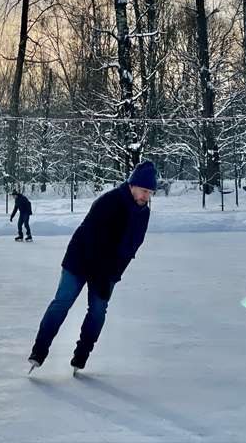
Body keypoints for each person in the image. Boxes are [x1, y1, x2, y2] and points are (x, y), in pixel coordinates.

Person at [28, 160, 157, 374]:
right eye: (144, 190)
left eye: (150, 192)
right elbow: (94, 243)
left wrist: (111, 277)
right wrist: (102, 277)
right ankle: (39, 352)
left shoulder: (143, 213)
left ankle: (81, 355)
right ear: (132, 185)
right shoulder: (108, 202)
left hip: (108, 266)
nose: (147, 196)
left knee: (98, 310)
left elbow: (132, 247)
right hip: (80, 258)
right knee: (62, 302)